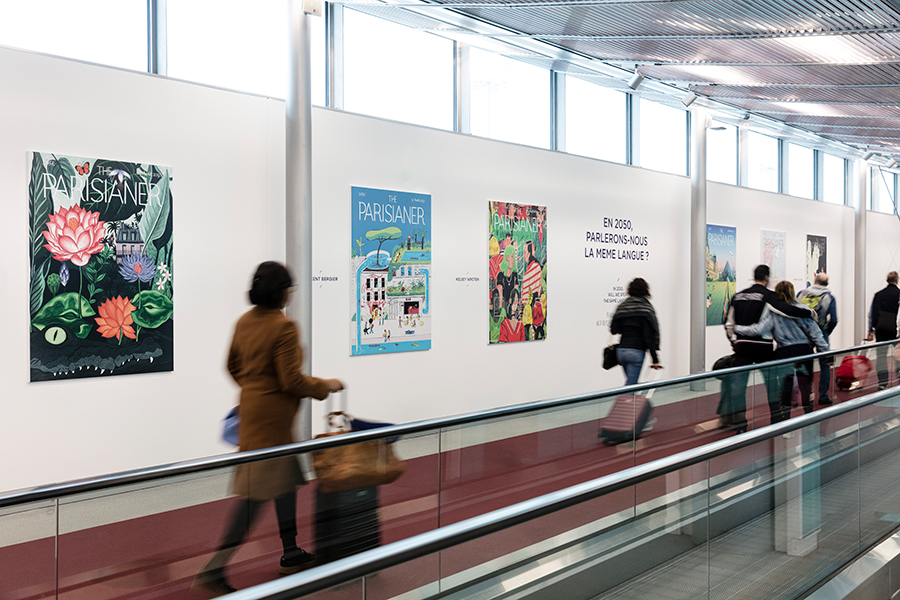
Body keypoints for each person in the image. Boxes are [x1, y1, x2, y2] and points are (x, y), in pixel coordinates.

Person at [193, 262, 344, 596]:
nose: (291, 293)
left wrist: (253, 390)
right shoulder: (283, 327)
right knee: (254, 498)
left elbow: (232, 365)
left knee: (284, 485)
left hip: (255, 415)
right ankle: (211, 570)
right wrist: (325, 386)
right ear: (282, 291)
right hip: (273, 423)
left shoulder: (244, 322)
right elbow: (291, 380)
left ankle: (290, 553)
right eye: (290, 287)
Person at [723, 265, 814, 432]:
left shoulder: (738, 296)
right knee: (772, 385)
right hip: (763, 348)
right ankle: (776, 419)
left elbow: (729, 323)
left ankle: (741, 426)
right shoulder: (768, 296)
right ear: (766, 278)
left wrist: (734, 342)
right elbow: (787, 310)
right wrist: (809, 314)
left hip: (742, 348)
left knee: (739, 387)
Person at [737, 281, 828, 421]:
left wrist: (736, 329)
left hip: (784, 353)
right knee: (806, 387)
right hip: (804, 351)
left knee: (786, 389)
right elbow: (817, 335)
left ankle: (785, 424)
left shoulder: (774, 314)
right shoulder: (804, 310)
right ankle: (809, 418)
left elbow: (758, 330)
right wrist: (826, 352)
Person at [610, 278, 662, 386]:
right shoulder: (646, 309)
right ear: (645, 290)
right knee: (631, 386)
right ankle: (626, 401)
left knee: (630, 383)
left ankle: (629, 401)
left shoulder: (622, 307)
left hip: (621, 351)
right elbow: (649, 336)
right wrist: (655, 359)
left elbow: (614, 330)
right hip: (636, 352)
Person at [797, 273, 838, 404]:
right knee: (825, 365)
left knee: (804, 364)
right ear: (827, 284)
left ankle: (807, 395)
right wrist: (826, 331)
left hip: (803, 333)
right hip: (821, 331)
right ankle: (823, 396)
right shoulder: (829, 297)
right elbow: (834, 319)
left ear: (814, 280)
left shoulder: (801, 294)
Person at [867, 271, 900, 389]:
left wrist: (870, 330)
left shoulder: (878, 294)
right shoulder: (898, 294)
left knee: (881, 356)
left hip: (880, 329)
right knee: (898, 354)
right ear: (897, 280)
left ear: (887, 280)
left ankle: (882, 382)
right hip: (894, 331)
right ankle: (899, 373)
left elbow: (871, 314)